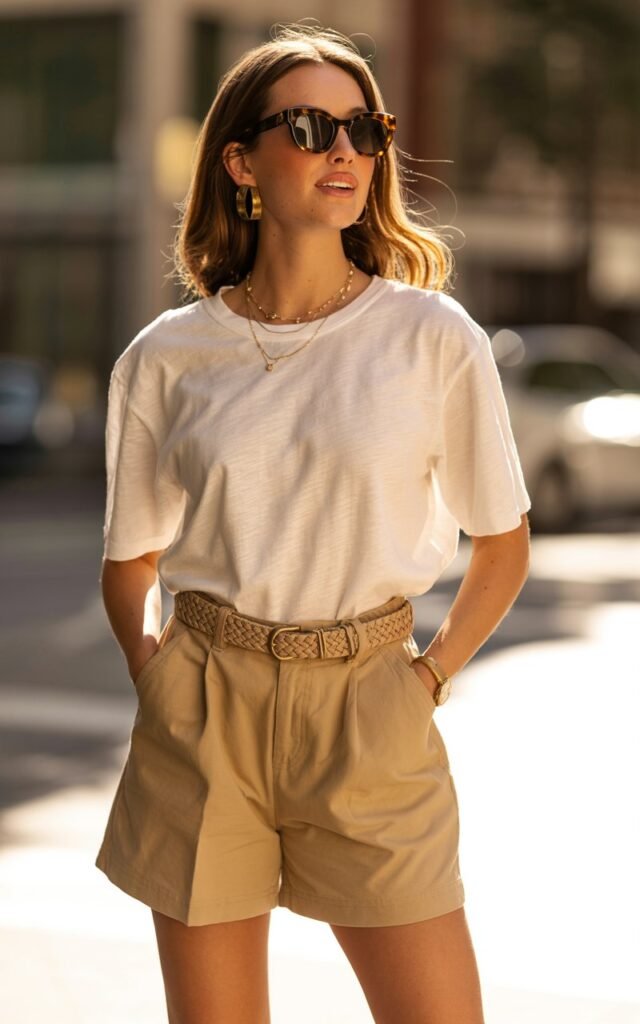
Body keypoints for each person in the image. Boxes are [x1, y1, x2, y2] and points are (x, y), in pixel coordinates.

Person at [95, 22, 531, 1024]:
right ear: (241, 160)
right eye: (309, 126)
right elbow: (130, 560)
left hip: (370, 702)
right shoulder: (167, 357)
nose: (344, 151)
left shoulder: (430, 337)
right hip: (206, 702)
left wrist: (426, 676)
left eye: (363, 128)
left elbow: (500, 544)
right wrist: (158, 673)